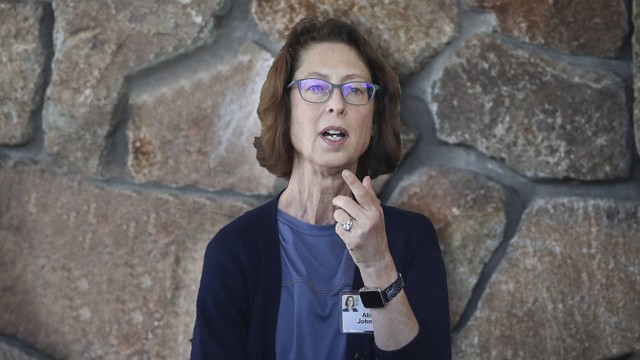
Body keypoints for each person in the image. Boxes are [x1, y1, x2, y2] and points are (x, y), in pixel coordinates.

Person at [190, 17, 450, 360]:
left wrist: (377, 266)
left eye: (355, 89)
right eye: (315, 87)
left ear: (372, 122)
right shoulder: (235, 250)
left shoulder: (410, 240)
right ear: (286, 110)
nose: (337, 104)